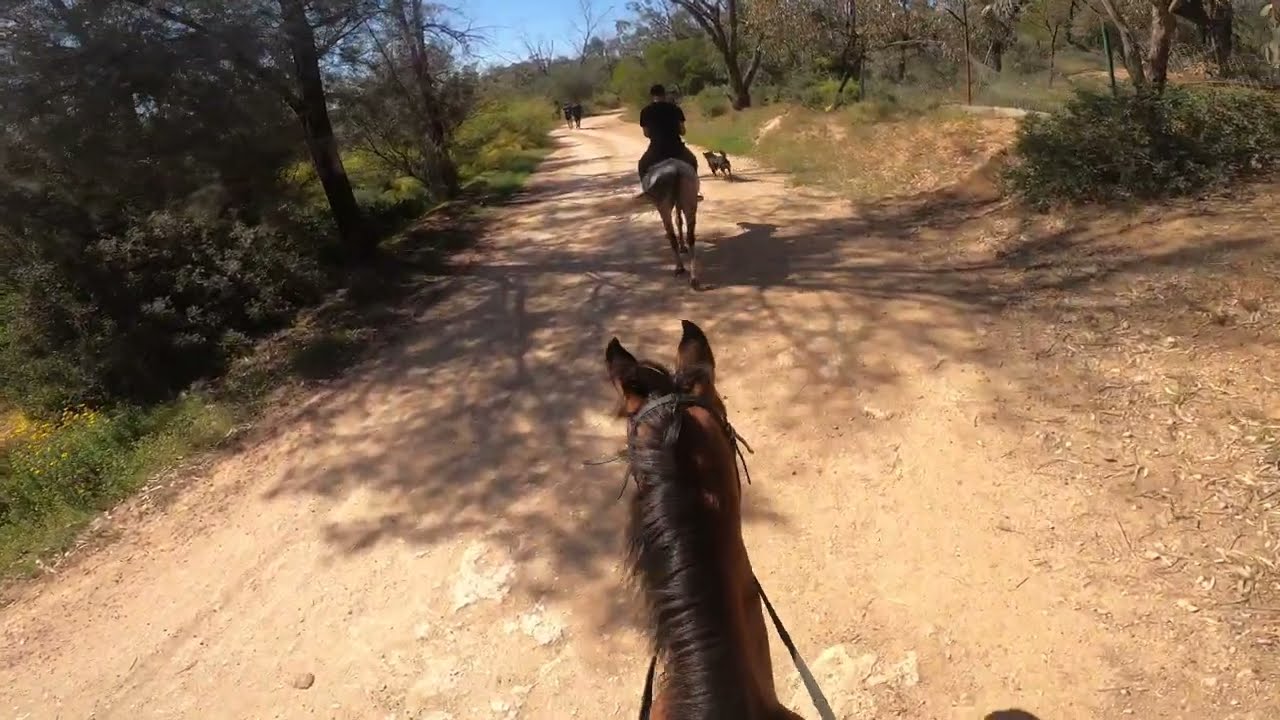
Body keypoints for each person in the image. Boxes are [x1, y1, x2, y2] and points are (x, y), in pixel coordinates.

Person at [637, 84, 698, 184]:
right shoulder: (675, 108)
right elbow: (682, 131)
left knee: (642, 166)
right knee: (692, 161)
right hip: (676, 148)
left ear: (651, 95)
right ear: (664, 94)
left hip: (656, 149)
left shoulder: (645, 111)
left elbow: (646, 134)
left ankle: (646, 192)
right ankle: (694, 191)